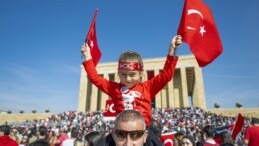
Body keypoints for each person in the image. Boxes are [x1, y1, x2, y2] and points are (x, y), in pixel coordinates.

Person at [81, 35, 182, 145]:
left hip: (143, 133)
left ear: (140, 74)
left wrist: (172, 49)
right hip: (120, 132)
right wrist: (87, 56)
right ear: (118, 74)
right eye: (123, 75)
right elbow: (95, 78)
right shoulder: (114, 88)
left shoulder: (147, 87)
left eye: (132, 75)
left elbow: (166, 75)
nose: (128, 79)